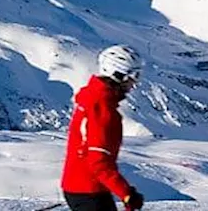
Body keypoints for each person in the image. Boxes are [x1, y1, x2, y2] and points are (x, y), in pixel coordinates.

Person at [62, 45, 146, 211]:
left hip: (83, 186)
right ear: (119, 75)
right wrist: (126, 193)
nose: (135, 83)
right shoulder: (102, 109)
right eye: (134, 76)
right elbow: (98, 161)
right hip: (88, 189)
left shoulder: (93, 98)